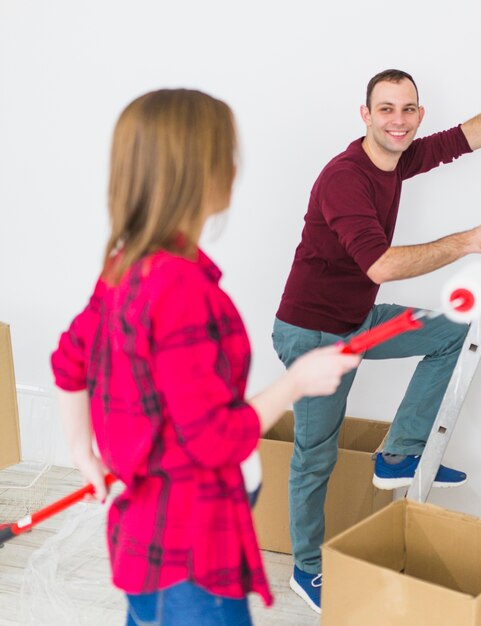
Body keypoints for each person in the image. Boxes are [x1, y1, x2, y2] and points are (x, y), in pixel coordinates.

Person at [50, 89, 360, 626]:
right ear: (199, 173)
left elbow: (68, 361)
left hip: (146, 544)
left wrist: (83, 451)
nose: (236, 169)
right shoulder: (183, 291)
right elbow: (215, 437)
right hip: (191, 556)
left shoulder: (126, 265)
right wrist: (297, 382)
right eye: (227, 155)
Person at [272, 66, 481, 614]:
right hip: (314, 334)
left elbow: (466, 138)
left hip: (355, 322)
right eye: (386, 109)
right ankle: (306, 570)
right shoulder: (346, 178)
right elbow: (381, 265)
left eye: (408, 110)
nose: (398, 120)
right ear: (365, 115)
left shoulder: (399, 157)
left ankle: (398, 453)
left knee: (454, 331)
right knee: (315, 456)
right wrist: (469, 240)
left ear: (418, 114)